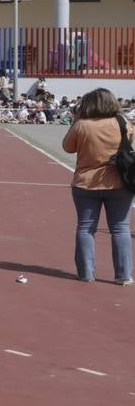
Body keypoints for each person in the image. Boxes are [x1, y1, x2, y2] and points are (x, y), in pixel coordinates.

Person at [61, 88, 133, 284]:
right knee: (120, 228)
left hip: (86, 182)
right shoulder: (122, 123)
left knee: (86, 228)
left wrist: (76, 119)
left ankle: (86, 273)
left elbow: (67, 147)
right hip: (119, 182)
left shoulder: (82, 125)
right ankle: (124, 275)